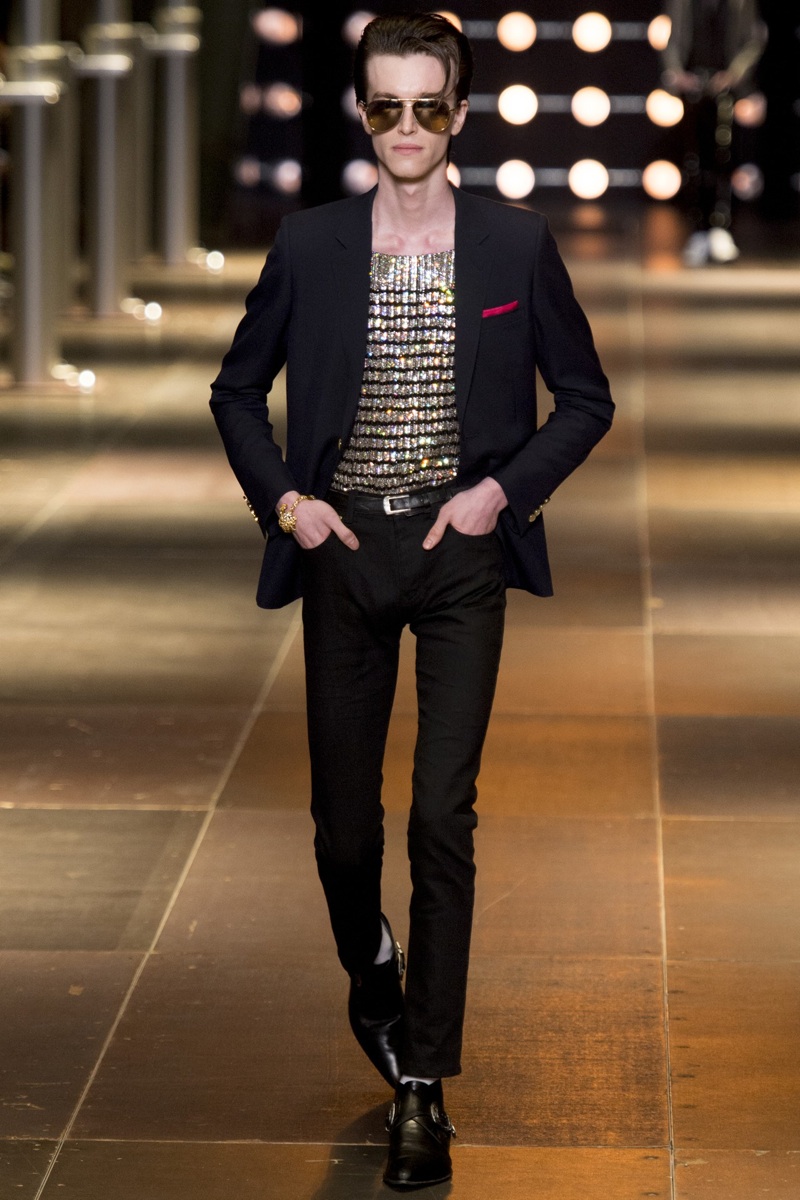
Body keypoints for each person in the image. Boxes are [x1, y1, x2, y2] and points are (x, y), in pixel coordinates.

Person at [210, 12, 613, 1189]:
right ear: (360, 112)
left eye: (425, 106)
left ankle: (422, 1082)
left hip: (456, 553)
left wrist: (500, 492)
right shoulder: (311, 244)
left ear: (458, 113)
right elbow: (237, 390)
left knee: (442, 815)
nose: (404, 127)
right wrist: (290, 505)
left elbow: (584, 399)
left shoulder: (512, 244)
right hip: (341, 549)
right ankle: (370, 968)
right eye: (383, 106)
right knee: (344, 830)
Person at [661, 0, 767, 266]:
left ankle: (721, 228)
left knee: (724, 158)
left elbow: (753, 40)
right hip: (692, 86)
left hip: (728, 89)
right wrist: (677, 73)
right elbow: (671, 39)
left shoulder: (741, 3)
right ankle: (698, 231)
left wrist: (733, 75)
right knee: (693, 160)